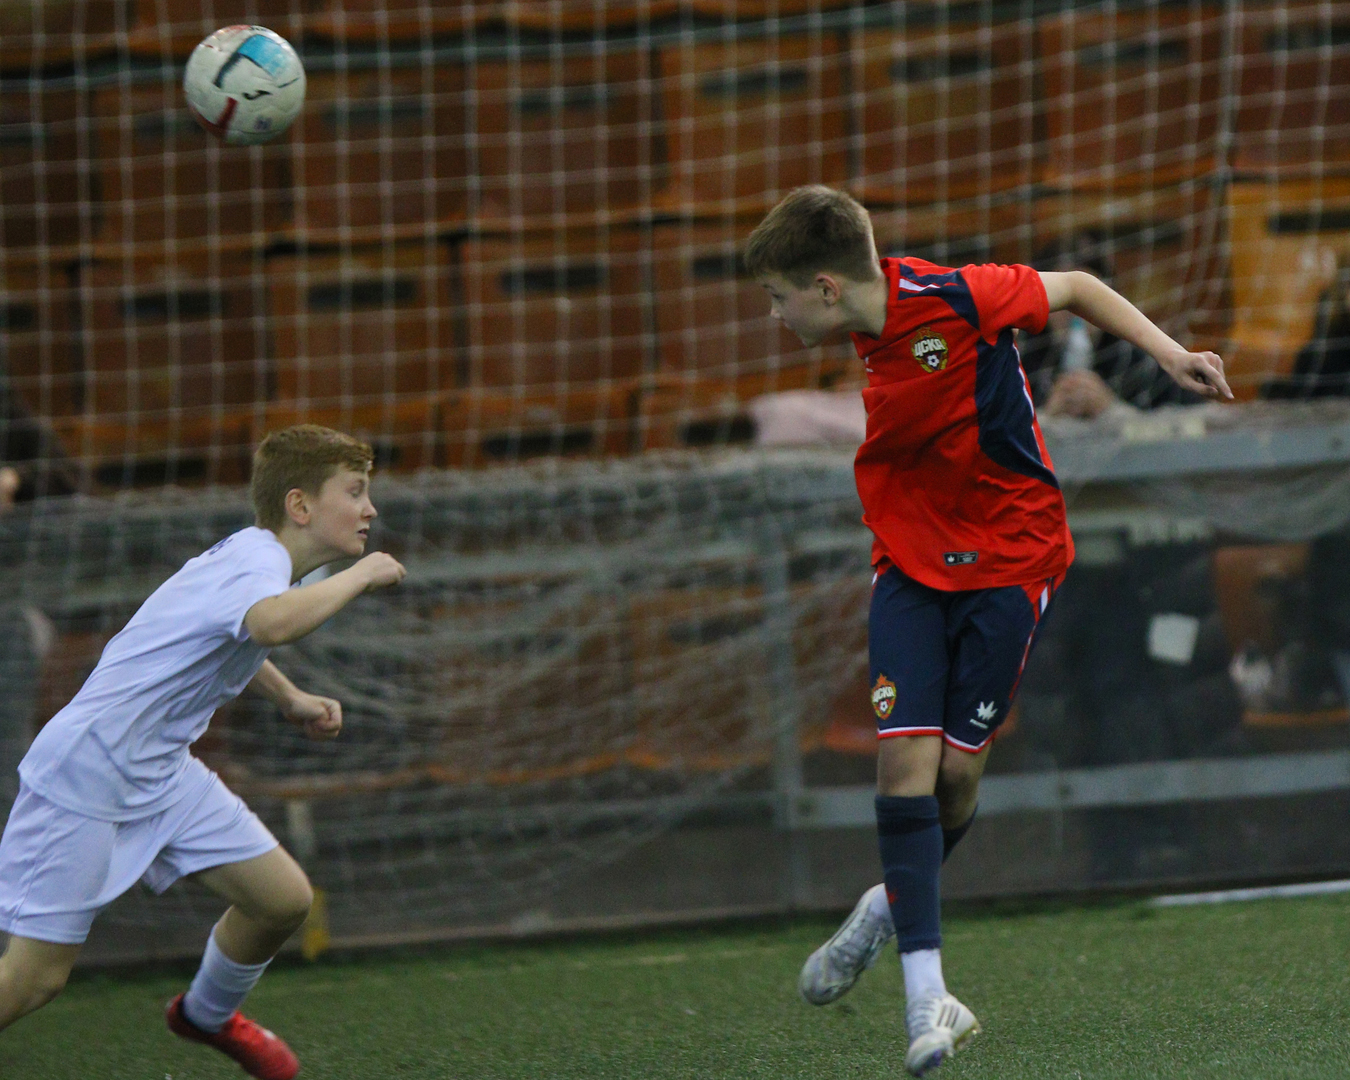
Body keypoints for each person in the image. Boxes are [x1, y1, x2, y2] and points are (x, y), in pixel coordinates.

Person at [743, 186, 1230, 1077]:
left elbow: (1077, 286)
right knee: (903, 767)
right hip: (908, 565)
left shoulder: (957, 296)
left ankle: (887, 907)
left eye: (778, 298)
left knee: (957, 779)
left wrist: (1170, 354)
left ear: (823, 288)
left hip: (1011, 559)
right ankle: (928, 998)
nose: (775, 317)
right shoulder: (865, 325)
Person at [0, 424, 407, 1079]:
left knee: (282, 901)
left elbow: (234, 636)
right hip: (86, 774)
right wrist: (362, 574)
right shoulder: (257, 563)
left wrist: (290, 697)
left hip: (160, 772)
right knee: (34, 980)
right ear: (301, 506)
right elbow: (271, 623)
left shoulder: (255, 557)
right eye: (355, 492)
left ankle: (205, 1014)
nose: (370, 509)